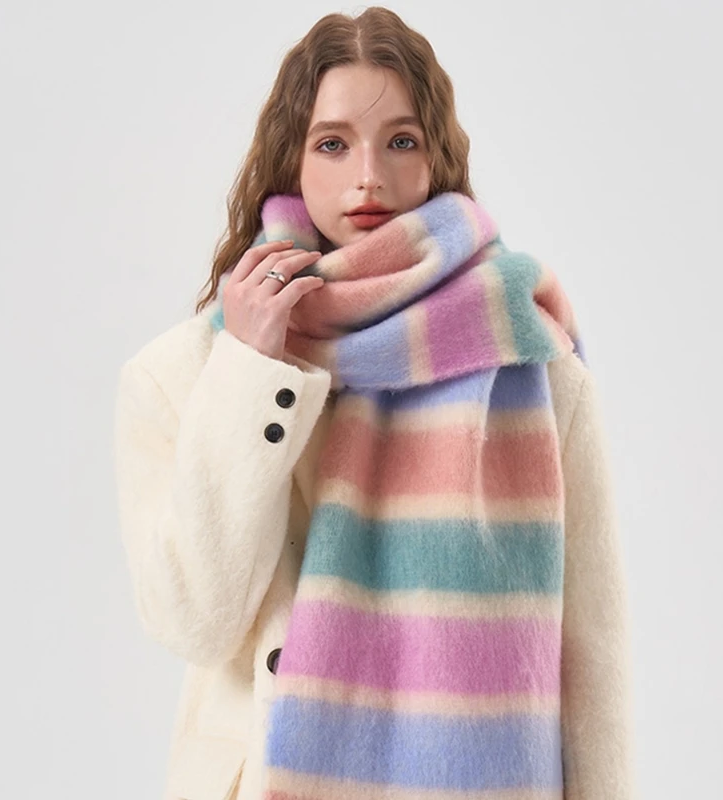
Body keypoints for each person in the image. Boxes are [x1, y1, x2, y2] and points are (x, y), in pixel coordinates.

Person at [113, 7, 637, 800]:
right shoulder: (184, 375)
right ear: (291, 156)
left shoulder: (526, 353)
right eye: (333, 143)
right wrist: (252, 370)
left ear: (437, 156)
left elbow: (592, 651)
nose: (369, 176)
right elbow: (193, 620)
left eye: (401, 141)